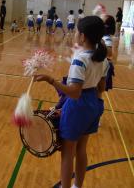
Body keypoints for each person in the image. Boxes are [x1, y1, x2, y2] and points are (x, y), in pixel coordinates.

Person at [34, 16, 108, 188]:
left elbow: (74, 93)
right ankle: (77, 186)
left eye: (76, 31)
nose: (75, 34)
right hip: (93, 104)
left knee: (68, 153)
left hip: (78, 106)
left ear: (82, 36)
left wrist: (50, 80)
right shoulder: (103, 59)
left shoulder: (80, 60)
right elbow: (102, 87)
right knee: (81, 150)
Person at [102, 15, 116, 91]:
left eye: (102, 21)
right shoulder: (101, 36)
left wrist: (101, 44)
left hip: (102, 66)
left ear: (106, 26)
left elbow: (109, 53)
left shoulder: (107, 38)